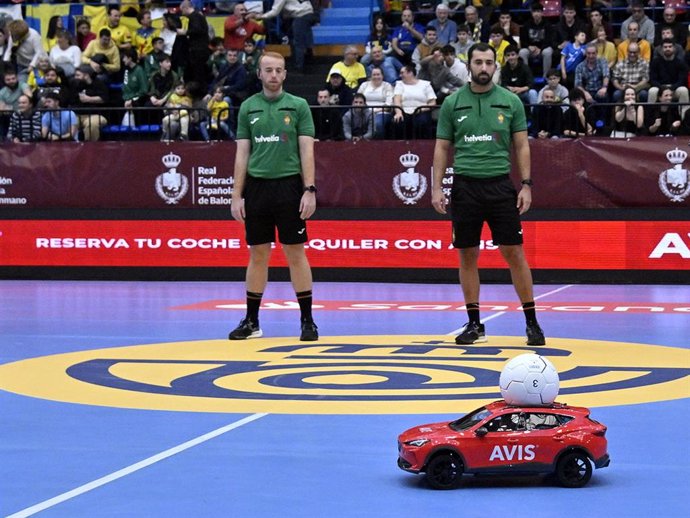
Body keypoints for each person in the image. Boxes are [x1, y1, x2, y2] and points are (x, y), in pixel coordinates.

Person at [432, 42, 545, 347]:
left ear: (496, 66)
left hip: (499, 186)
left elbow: (521, 145)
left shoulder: (511, 102)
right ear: (469, 65)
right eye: (478, 62)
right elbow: (442, 148)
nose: (484, 68)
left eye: (489, 63)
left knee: (514, 254)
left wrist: (526, 184)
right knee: (467, 255)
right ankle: (474, 324)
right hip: (465, 187)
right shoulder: (452, 103)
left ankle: (532, 323)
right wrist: (435, 187)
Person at [229, 51, 319, 342]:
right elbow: (242, 153)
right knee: (258, 253)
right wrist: (236, 195)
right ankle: (252, 321)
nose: (274, 75)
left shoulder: (298, 105)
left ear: (285, 74)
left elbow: (307, 150)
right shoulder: (248, 108)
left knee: (295, 252)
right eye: (268, 70)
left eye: (279, 70)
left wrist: (309, 190)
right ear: (259, 73)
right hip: (257, 188)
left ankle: (307, 320)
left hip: (289, 188)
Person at [259, 0, 315, 73]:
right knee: (300, 38)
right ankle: (307, 60)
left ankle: (298, 67)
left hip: (300, 15)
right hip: (308, 13)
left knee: (297, 42)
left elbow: (275, 12)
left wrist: (260, 16)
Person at [392, 63, 436, 139]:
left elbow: (432, 102)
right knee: (398, 121)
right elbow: (397, 99)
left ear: (410, 73)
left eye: (402, 73)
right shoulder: (399, 84)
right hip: (404, 111)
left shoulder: (425, 84)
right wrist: (398, 112)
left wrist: (421, 109)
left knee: (422, 122)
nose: (400, 75)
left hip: (421, 111)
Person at [66, 64, 109, 142]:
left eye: (78, 75)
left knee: (91, 124)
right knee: (66, 122)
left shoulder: (98, 83)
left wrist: (89, 99)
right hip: (77, 114)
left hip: (95, 114)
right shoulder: (74, 83)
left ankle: (90, 148)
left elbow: (104, 98)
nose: (75, 77)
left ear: (86, 75)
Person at [648, 38, 688, 108]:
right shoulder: (655, 62)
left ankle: (684, 116)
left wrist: (672, 88)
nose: (667, 49)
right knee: (652, 91)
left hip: (675, 88)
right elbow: (652, 80)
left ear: (674, 48)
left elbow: (682, 80)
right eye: (665, 47)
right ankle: (650, 116)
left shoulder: (680, 63)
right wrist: (662, 88)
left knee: (683, 90)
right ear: (661, 49)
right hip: (660, 88)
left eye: (670, 47)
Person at [519, 2, 554, 78]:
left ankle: (546, 77)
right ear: (531, 13)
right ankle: (526, 76)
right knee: (522, 52)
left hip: (543, 49)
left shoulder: (548, 24)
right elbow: (523, 41)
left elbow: (549, 40)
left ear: (542, 13)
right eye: (534, 12)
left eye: (538, 11)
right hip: (530, 50)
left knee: (548, 51)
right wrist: (528, 46)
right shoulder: (526, 24)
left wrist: (540, 49)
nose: (536, 14)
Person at [357, 65, 394, 138]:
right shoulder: (364, 85)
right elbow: (358, 99)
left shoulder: (387, 86)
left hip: (382, 112)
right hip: (364, 112)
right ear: (371, 76)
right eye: (374, 75)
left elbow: (389, 104)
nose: (376, 77)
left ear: (382, 76)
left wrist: (374, 111)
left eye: (378, 74)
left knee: (377, 124)